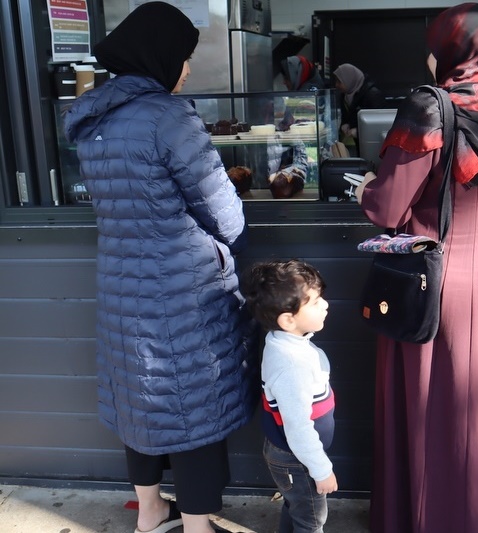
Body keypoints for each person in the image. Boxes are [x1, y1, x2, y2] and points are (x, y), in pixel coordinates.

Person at [355, 4, 478, 532]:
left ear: (447, 51)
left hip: (451, 282)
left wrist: (364, 189)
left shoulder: (429, 107)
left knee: (445, 412)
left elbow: (385, 207)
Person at [64, 3, 257, 533]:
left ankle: (151, 512)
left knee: (140, 400)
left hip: (122, 282)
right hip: (181, 288)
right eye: (185, 58)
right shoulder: (169, 116)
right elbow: (224, 213)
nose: (188, 69)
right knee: (193, 402)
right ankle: (197, 527)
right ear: (161, 55)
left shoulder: (91, 119)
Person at [242, 259, 337, 532]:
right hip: (296, 458)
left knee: (297, 508)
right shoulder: (291, 365)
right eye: (316, 301)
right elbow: (298, 427)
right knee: (311, 520)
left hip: (293, 455)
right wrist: (321, 470)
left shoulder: (287, 343)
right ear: (288, 319)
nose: (326, 305)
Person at [332, 63, 386, 147]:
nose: (336, 85)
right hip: (356, 143)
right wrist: (345, 124)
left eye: (339, 81)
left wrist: (359, 131)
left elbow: (379, 124)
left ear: (349, 79)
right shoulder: (346, 95)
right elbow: (347, 115)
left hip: (371, 145)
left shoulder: (372, 95)